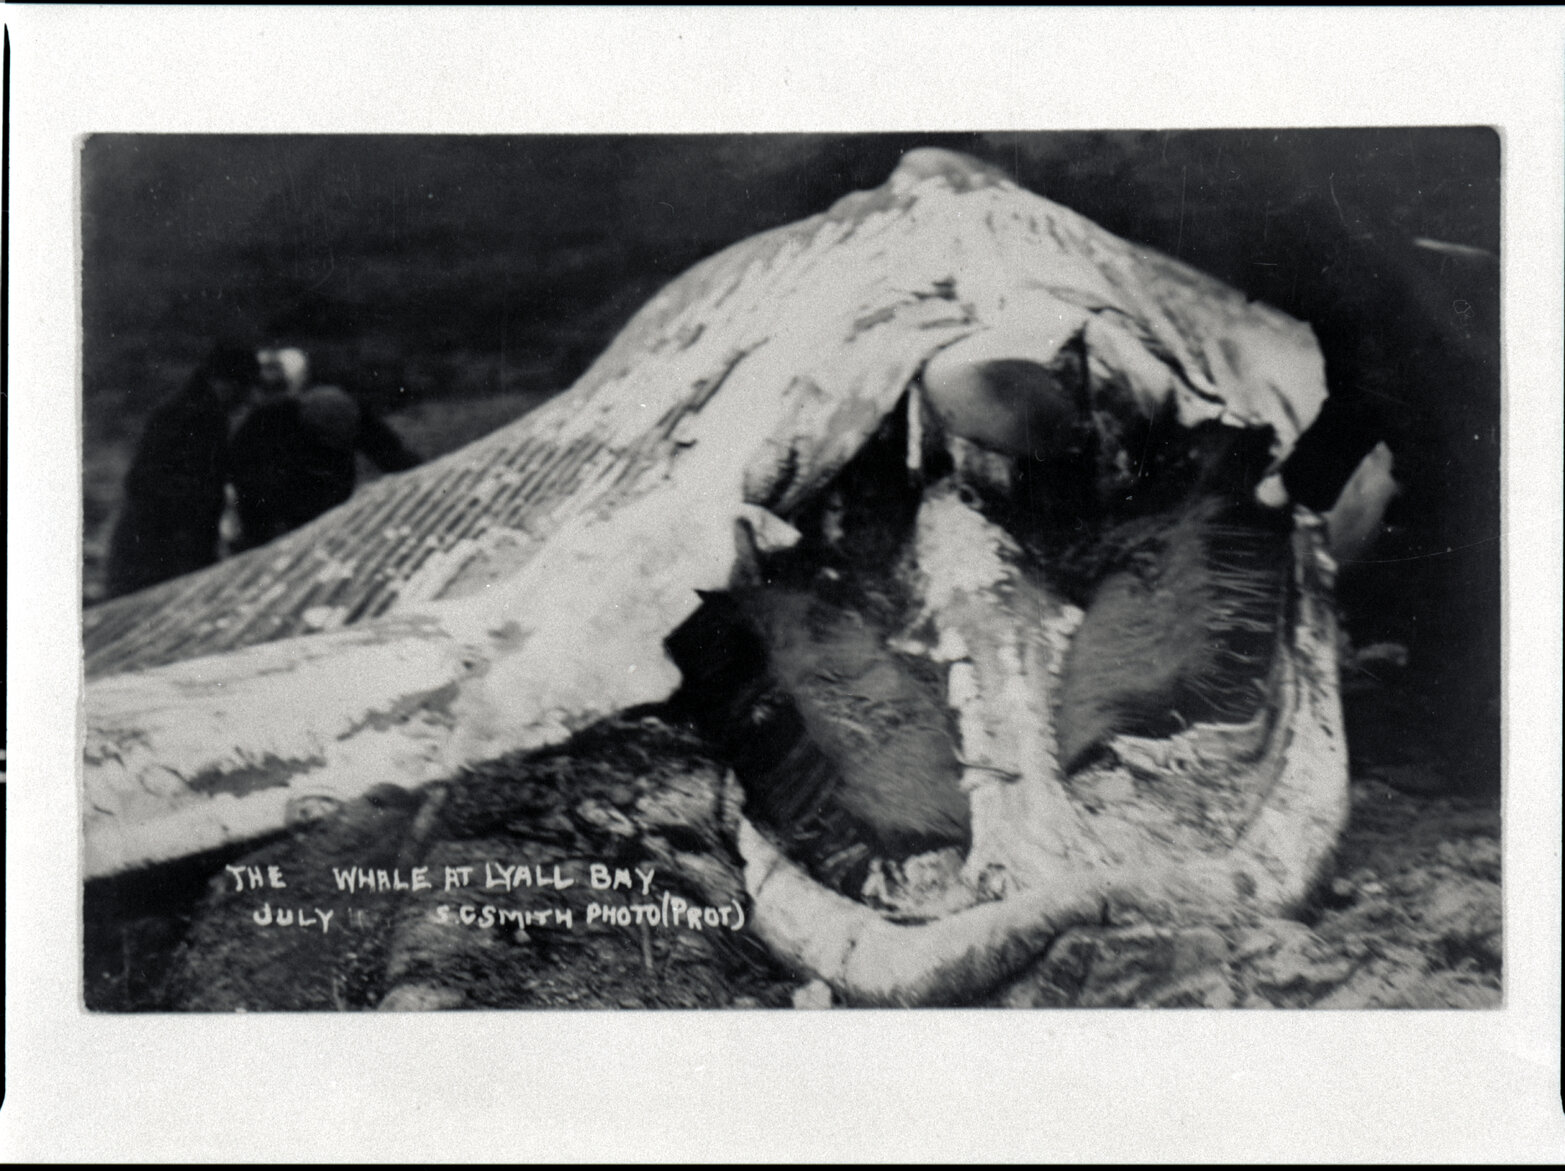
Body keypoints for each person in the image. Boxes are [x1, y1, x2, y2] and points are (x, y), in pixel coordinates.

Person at [104, 342, 261, 599]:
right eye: (243, 389)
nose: (245, 399)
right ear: (225, 383)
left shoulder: (199, 413)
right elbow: (142, 481)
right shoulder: (191, 417)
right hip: (159, 546)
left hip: (164, 542)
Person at [227, 347, 422, 552]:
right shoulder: (259, 425)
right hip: (308, 511)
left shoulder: (263, 422)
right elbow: (391, 454)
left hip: (310, 511)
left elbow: (390, 453)